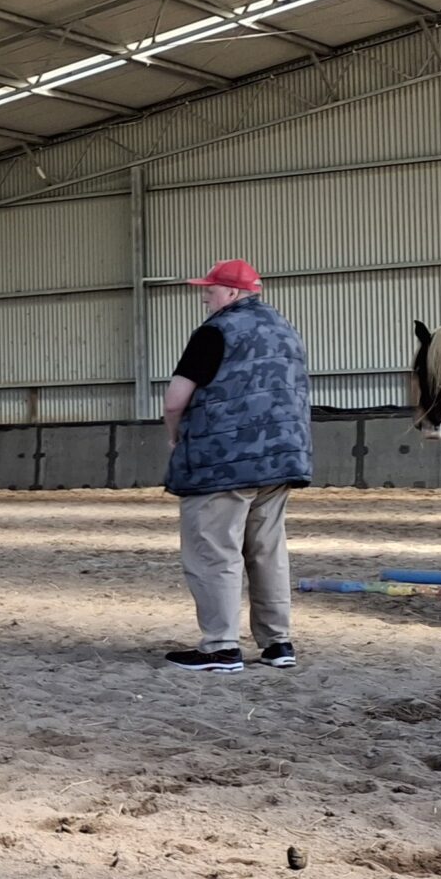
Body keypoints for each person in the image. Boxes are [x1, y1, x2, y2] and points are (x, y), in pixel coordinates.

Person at [161, 258, 311, 673]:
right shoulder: (286, 330)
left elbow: (175, 399)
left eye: (209, 289)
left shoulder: (215, 331)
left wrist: (175, 436)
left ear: (231, 293)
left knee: (214, 550)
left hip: (221, 461)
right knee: (267, 550)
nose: (204, 295)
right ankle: (278, 643)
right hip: (281, 457)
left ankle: (221, 647)